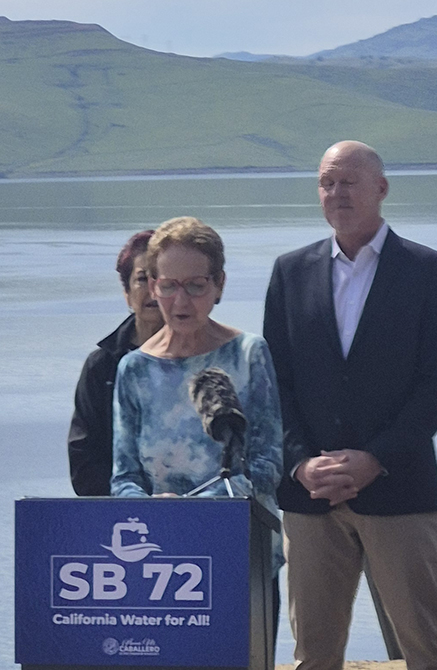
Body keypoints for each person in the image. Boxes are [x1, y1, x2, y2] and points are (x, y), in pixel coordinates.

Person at [263, 140, 437, 670]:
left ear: (381, 188)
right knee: (314, 656)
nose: (337, 192)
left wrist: (375, 458)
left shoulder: (428, 271)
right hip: (310, 497)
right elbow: (274, 384)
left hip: (400, 491)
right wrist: (302, 462)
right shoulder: (290, 272)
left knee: (427, 651)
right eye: (327, 181)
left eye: (349, 181)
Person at [109, 216, 283, 649]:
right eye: (168, 285)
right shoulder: (133, 370)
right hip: (160, 566)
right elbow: (124, 477)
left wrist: (194, 509)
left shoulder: (247, 354)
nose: (179, 299)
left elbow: (267, 464)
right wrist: (154, 512)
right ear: (152, 287)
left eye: (196, 285)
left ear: (219, 284)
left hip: (241, 558)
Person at [68, 230, 164, 496]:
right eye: (142, 279)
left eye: (162, 279)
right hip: (118, 510)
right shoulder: (101, 367)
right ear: (126, 293)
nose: (153, 290)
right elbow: (83, 458)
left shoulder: (207, 355)